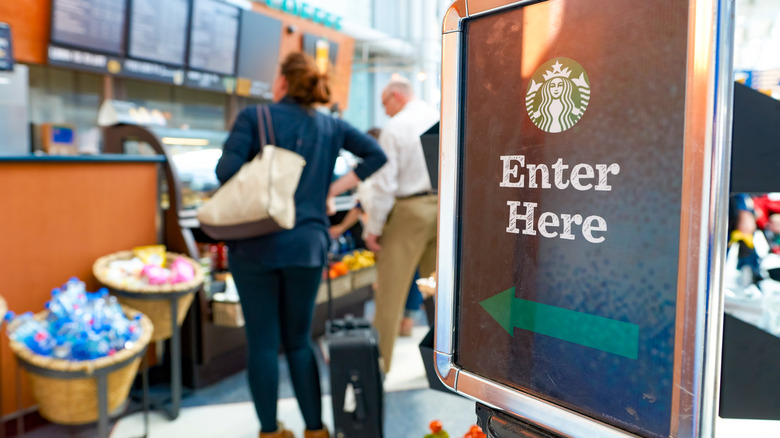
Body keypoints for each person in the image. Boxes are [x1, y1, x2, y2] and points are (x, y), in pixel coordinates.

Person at [215, 53, 387, 438]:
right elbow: (376, 155)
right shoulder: (331, 126)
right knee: (299, 341)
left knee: (261, 343)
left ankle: (269, 430)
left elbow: (224, 171)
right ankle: (314, 428)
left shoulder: (254, 118)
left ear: (282, 82)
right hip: (307, 245)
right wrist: (330, 188)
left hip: (254, 245)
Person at [363, 77, 439, 372]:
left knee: (391, 292)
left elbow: (384, 184)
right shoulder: (440, 117)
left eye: (385, 104)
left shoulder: (395, 128)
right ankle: (443, 365)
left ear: (396, 96)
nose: (385, 112)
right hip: (443, 208)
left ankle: (379, 366)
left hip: (409, 210)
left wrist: (374, 228)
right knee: (437, 292)